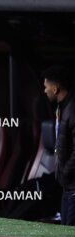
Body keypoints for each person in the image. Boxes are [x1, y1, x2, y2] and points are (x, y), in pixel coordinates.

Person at [43, 66, 75, 226]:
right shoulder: (61, 109)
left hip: (72, 184)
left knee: (69, 235)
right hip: (67, 185)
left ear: (55, 89)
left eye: (46, 87)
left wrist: (65, 172)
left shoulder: (72, 110)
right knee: (64, 232)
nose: (44, 90)